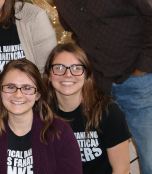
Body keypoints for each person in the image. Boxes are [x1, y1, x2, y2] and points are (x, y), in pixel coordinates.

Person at [25, 0, 152, 174]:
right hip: (99, 88)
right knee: (103, 162)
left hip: (142, 83)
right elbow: (78, 35)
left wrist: (142, 69)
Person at [0, 59, 82, 174]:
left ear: (38, 94)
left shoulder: (60, 132)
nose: (18, 95)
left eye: (27, 88)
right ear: (0, 91)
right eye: (10, 87)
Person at [43, 43, 131, 174]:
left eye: (76, 68)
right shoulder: (41, 114)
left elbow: (122, 170)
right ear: (49, 75)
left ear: (86, 75)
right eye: (59, 68)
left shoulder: (107, 111)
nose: (68, 74)